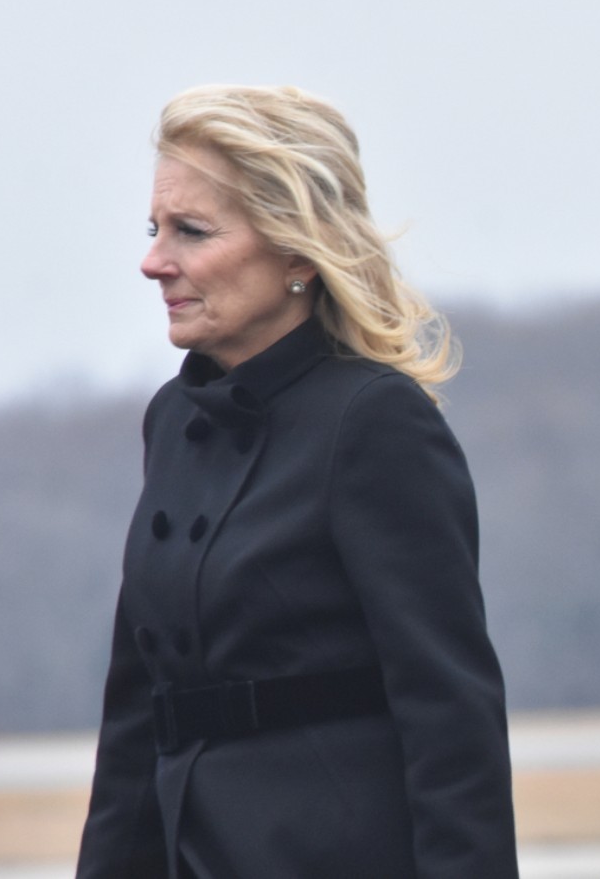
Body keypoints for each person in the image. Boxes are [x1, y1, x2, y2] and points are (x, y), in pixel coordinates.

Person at [77, 85, 518, 877]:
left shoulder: (376, 421)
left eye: (191, 230)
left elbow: (452, 718)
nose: (153, 261)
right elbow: (138, 712)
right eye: (154, 228)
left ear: (296, 250)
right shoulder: (174, 421)